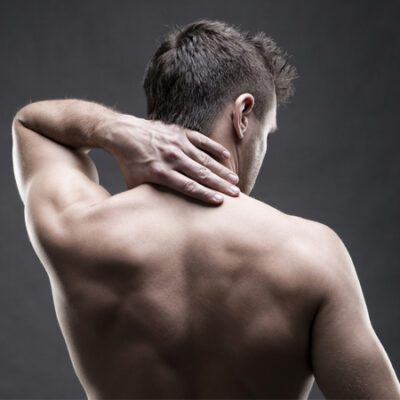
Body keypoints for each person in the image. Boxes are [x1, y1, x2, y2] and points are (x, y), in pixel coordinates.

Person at [12, 19, 400, 399]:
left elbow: (29, 124)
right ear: (243, 114)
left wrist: (111, 126)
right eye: (266, 134)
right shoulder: (312, 256)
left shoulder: (78, 228)